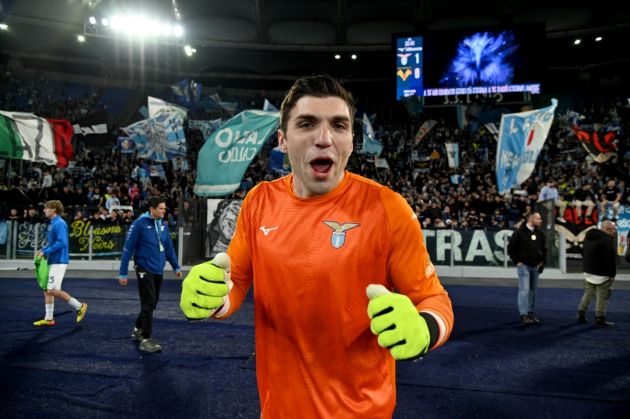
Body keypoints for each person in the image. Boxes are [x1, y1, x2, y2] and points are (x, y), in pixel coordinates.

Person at [180, 75, 454, 417]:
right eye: (307, 124)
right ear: (282, 139)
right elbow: (233, 282)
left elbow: (434, 298)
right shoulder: (259, 201)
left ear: (351, 140)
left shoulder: (388, 208)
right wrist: (212, 297)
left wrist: (424, 328)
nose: (324, 138)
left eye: (339, 126)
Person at [118, 196, 182, 353]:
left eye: (164, 208)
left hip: (158, 269)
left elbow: (169, 248)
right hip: (144, 268)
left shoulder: (163, 225)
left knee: (152, 303)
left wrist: (176, 266)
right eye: (160, 208)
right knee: (148, 303)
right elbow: (128, 249)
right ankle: (146, 339)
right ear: (152, 209)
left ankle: (137, 328)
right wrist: (123, 273)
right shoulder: (139, 224)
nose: (163, 211)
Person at [33, 200, 88, 327]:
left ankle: (80, 306)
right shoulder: (54, 223)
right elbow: (54, 243)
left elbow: (62, 242)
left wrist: (45, 251)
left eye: (46, 208)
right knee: (47, 290)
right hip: (54, 260)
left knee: (51, 290)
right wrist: (43, 250)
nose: (44, 210)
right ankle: (48, 318)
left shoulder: (59, 223)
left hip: (59, 261)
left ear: (54, 210)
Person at [508, 211, 547, 325]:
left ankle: (530, 312)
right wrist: (517, 261)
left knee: (532, 291)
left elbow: (544, 249)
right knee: (524, 290)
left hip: (535, 265)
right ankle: (523, 314)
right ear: (531, 219)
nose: (540, 221)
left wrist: (542, 262)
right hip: (523, 265)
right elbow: (511, 248)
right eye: (538, 219)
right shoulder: (519, 233)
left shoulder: (540, 234)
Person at [577, 221, 617, 327]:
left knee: (588, 293)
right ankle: (600, 318)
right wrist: (612, 275)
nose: (615, 231)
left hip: (588, 271)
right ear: (607, 229)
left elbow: (583, 252)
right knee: (602, 296)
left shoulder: (589, 236)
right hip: (601, 273)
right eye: (613, 229)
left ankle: (581, 312)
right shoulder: (607, 240)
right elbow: (610, 259)